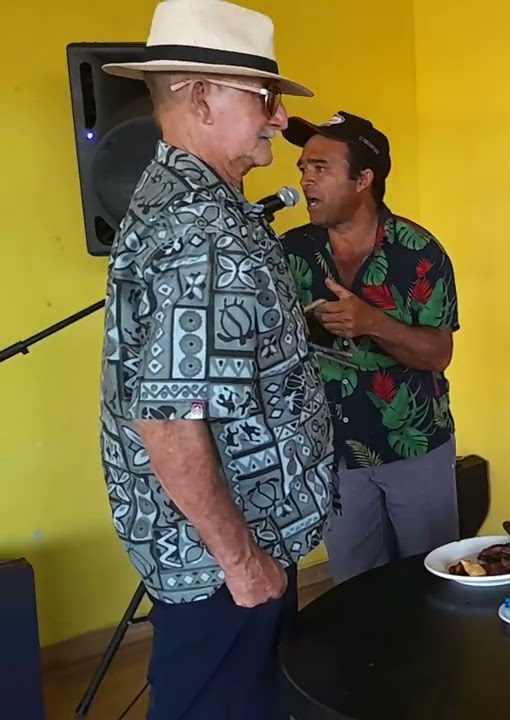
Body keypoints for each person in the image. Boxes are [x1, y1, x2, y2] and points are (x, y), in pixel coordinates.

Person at [97, 1, 336, 718]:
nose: (277, 118)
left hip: (224, 550)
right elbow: (168, 419)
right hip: (225, 565)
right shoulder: (202, 231)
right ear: (201, 97)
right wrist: (241, 562)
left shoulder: (184, 200)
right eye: (262, 99)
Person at [280, 111, 461, 585]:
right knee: (355, 592)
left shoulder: (419, 252)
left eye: (320, 168)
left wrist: (373, 322)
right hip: (333, 453)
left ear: (364, 179)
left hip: (415, 448)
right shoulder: (290, 251)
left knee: (434, 586)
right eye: (303, 168)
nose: (305, 180)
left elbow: (437, 354)